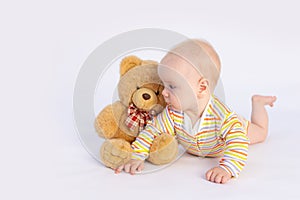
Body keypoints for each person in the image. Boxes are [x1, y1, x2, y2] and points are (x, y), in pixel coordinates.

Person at [114, 39, 277, 184]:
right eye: (164, 85)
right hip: (200, 145)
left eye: (172, 86)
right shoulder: (172, 113)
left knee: (261, 134)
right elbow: (152, 131)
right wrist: (137, 156)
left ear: (201, 87)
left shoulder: (223, 119)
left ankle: (258, 103)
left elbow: (238, 144)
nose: (164, 93)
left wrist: (227, 169)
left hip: (233, 134)